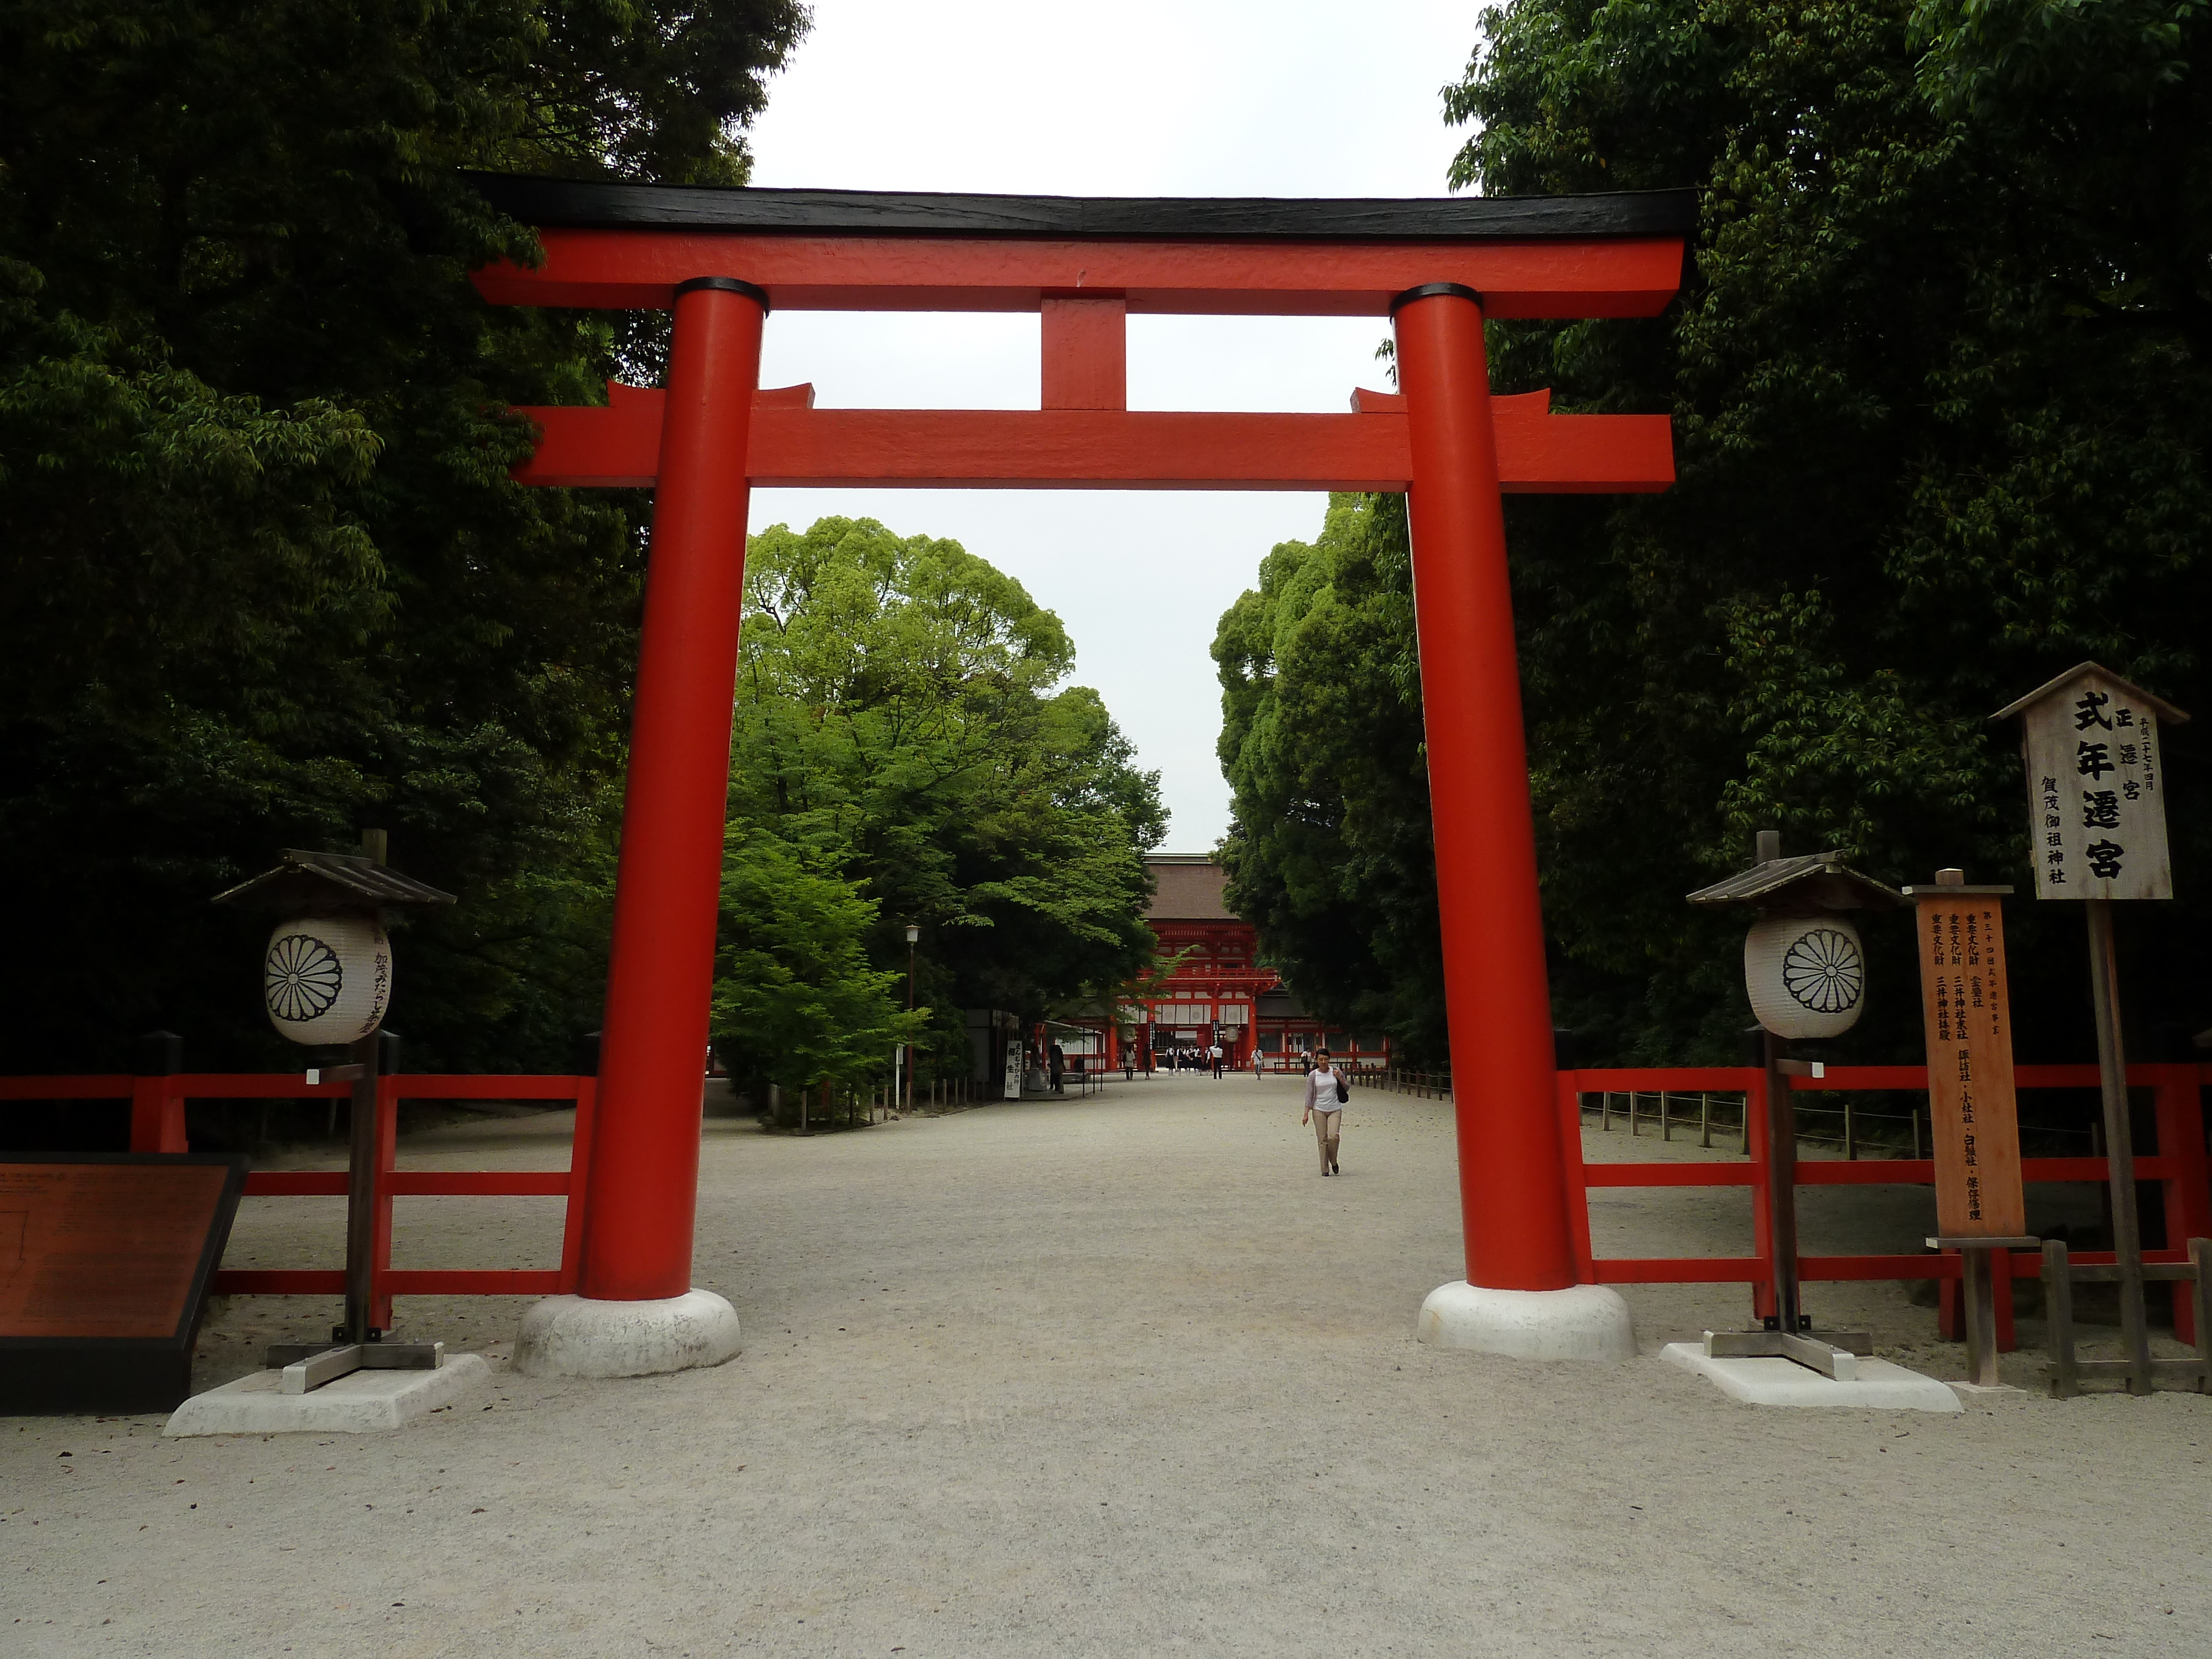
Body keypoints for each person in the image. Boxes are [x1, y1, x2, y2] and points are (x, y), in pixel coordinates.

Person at [1301, 1048, 1347, 1176]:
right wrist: (1306, 1114)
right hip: (1319, 1109)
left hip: (1335, 1108)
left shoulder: (1336, 1072)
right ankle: (1324, 1169)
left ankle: (1333, 1160)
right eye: (1321, 1059)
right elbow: (1309, 1096)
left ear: (1329, 1060)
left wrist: (1340, 1078)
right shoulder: (1313, 1075)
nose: (1323, 1062)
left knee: (1334, 1137)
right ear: (1316, 1060)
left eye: (1326, 1059)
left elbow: (1347, 1087)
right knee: (1322, 1139)